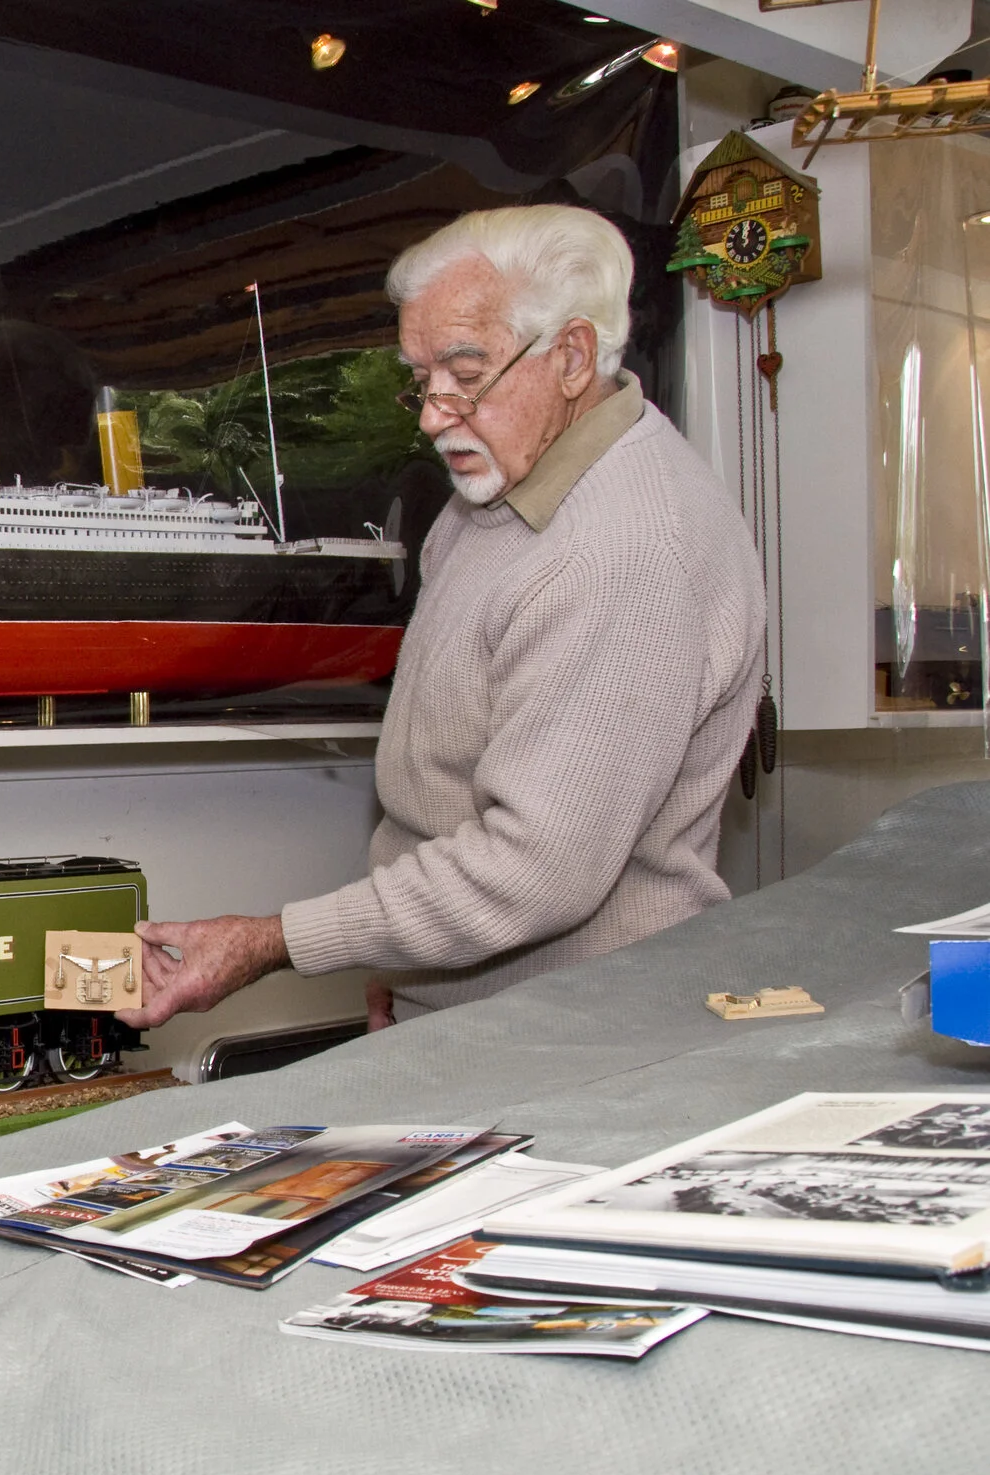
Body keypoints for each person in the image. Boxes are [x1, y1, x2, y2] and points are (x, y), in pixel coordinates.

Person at [121, 204, 762, 1031]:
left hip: (578, 1034)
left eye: (467, 373)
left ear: (571, 355)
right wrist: (408, 964)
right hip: (475, 1015)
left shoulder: (623, 550)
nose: (432, 415)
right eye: (421, 379)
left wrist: (270, 943)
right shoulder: (494, 489)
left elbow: (533, 870)